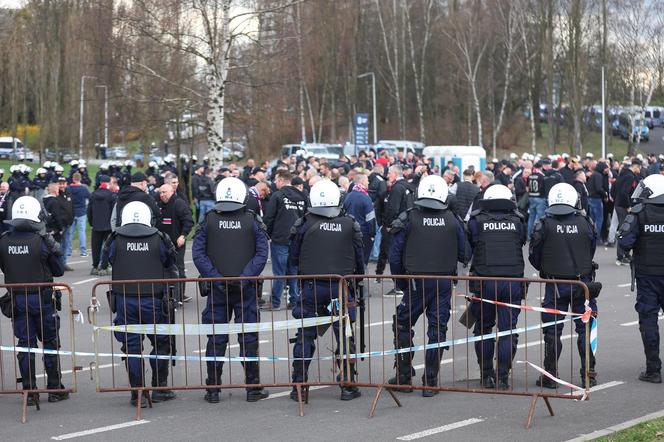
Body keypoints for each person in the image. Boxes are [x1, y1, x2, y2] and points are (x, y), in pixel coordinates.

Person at [388, 175, 468, 396]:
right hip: (442, 282)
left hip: (415, 281)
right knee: (437, 329)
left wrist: (400, 281)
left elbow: (395, 255)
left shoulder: (408, 218)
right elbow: (465, 253)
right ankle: (430, 381)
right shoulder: (453, 219)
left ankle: (404, 376)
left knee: (402, 324)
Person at [192, 177, 270, 404]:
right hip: (244, 289)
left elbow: (198, 254)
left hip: (218, 289)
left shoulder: (209, 220)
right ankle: (252, 387)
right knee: (248, 337)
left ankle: (213, 389)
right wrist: (244, 277)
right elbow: (261, 253)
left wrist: (216, 277)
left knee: (216, 338)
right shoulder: (251, 220)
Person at [288, 179, 363, 402]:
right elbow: (360, 259)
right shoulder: (350, 223)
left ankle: (299, 386)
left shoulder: (303, 223)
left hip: (311, 290)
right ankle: (347, 386)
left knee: (305, 337)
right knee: (344, 336)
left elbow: (293, 257)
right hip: (338, 290)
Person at [100, 201, 179, 407]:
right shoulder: (159, 238)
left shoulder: (115, 238)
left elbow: (107, 259)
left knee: (131, 348)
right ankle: (160, 388)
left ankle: (138, 393)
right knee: (161, 343)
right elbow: (170, 261)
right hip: (153, 299)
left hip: (125, 300)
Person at [529, 182, 598, 388]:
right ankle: (589, 374)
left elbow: (534, 255)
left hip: (555, 284)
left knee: (552, 331)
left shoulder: (543, 223)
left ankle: (550, 376)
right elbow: (591, 248)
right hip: (583, 283)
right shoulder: (586, 222)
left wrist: (547, 268)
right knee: (585, 329)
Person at [0, 196, 68, 404]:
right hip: (42, 299)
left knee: (24, 345)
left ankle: (29, 392)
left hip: (18, 299)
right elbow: (58, 270)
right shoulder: (41, 241)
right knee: (49, 342)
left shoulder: (3, 240)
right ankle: (55, 388)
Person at [468, 185, 527, 389]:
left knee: (483, 329)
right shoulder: (518, 220)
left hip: (484, 282)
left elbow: (471, 244)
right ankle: (503, 376)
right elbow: (521, 240)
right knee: (507, 330)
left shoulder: (476, 220)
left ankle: (486, 375)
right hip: (512, 282)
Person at [618, 174, 664, 383]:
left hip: (647, 277)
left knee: (648, 321)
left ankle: (653, 370)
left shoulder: (639, 213)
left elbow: (625, 241)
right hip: (651, 275)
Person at [263, 170, 307, 310]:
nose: (275, 183)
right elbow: (307, 218)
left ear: (282, 180)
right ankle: (294, 301)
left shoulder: (277, 196)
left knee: (279, 273)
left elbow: (269, 218)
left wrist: (267, 235)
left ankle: (275, 303)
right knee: (293, 272)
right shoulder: (302, 196)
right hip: (296, 239)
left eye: (276, 180)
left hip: (280, 238)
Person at [157, 184, 194, 303]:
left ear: (172, 191)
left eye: (165, 192)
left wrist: (183, 235)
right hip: (162, 244)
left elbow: (189, 220)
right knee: (163, 270)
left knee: (178, 269)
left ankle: (179, 296)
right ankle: (165, 296)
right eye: (161, 192)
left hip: (177, 244)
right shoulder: (159, 206)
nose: (162, 195)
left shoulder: (179, 204)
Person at [343, 173, 376, 266]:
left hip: (349, 231)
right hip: (363, 233)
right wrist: (372, 234)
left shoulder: (348, 196)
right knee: (362, 259)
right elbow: (370, 219)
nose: (368, 182)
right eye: (367, 180)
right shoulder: (366, 198)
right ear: (361, 181)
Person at [614, 159, 641, 266]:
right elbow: (624, 192)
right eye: (639, 167)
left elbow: (616, 189)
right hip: (623, 206)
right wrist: (628, 206)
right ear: (635, 166)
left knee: (623, 229)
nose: (640, 170)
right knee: (624, 230)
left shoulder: (623, 174)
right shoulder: (630, 176)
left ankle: (625, 254)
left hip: (619, 204)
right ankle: (621, 256)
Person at [88, 175, 116, 275]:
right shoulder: (111, 195)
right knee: (107, 246)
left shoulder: (93, 194)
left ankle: (95, 266)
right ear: (108, 183)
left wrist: (91, 222)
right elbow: (113, 211)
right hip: (108, 225)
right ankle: (105, 265)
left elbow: (89, 211)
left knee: (95, 246)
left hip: (96, 224)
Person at [66, 172, 90, 257]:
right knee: (82, 232)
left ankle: (68, 251)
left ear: (73, 179)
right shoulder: (84, 188)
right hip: (82, 212)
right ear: (80, 179)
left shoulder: (68, 188)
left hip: (71, 212)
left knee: (70, 233)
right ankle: (83, 251)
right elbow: (89, 197)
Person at [57, 177, 74, 270]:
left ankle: (64, 263)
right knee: (59, 245)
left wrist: (72, 218)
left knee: (66, 243)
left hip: (68, 223)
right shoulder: (56, 195)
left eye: (63, 183)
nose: (62, 185)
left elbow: (72, 207)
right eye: (60, 183)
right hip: (60, 224)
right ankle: (58, 264)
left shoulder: (68, 193)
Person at [527, 162, 547, 237]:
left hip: (531, 197)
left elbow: (527, 188)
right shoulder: (542, 176)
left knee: (531, 217)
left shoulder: (530, 176)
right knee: (540, 217)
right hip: (540, 198)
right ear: (541, 167)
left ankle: (529, 236)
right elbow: (543, 188)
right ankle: (537, 235)